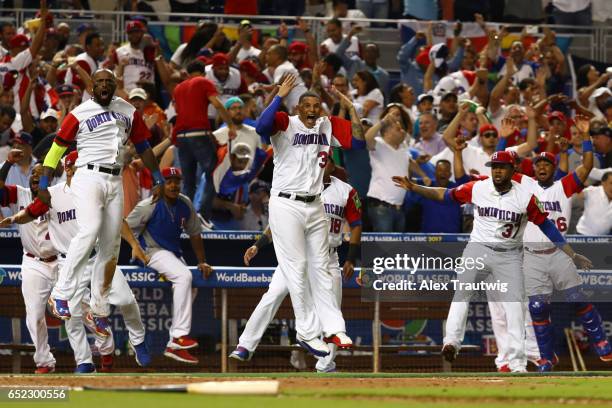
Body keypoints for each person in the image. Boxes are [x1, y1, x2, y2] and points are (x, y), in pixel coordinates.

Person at [393, 150, 592, 372]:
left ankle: (517, 364)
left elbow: (548, 226)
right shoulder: (478, 187)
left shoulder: (525, 197)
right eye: (494, 166)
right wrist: (414, 187)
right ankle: (451, 342)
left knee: (515, 307)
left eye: (502, 166)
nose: (496, 170)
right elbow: (445, 194)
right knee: (461, 294)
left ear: (512, 170)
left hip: (509, 256)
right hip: (477, 249)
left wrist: (571, 254)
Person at [39, 69, 163, 339]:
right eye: (99, 82)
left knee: (111, 246)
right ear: (92, 87)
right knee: (90, 228)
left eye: (109, 82)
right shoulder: (79, 112)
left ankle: (98, 309)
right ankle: (60, 294)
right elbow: (58, 147)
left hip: (115, 179)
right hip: (88, 175)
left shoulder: (128, 110)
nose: (105, 85)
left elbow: (142, 146)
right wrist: (44, 179)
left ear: (116, 86)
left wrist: (157, 175)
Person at [2, 151, 151, 373]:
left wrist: (135, 245)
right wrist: (14, 219)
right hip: (68, 263)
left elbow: (117, 220)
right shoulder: (51, 194)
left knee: (126, 300)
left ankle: (137, 340)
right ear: (69, 169)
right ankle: (84, 362)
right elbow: (31, 212)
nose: (79, 171)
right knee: (70, 316)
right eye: (75, 167)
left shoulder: (96, 193)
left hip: (98, 257)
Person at [255, 74, 364, 356]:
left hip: (314, 203)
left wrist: (351, 109)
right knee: (298, 267)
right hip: (285, 202)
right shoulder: (285, 122)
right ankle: (306, 332)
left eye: (317, 105)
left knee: (320, 269)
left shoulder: (327, 126)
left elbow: (360, 143)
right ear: (299, 108)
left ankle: (334, 329)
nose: (314, 109)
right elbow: (261, 126)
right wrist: (280, 94)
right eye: (308, 105)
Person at [230, 158, 362, 374]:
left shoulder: (346, 191)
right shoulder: (299, 186)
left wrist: (351, 258)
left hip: (327, 257)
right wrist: (258, 245)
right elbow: (281, 223)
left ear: (332, 165)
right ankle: (245, 345)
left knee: (332, 311)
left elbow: (356, 226)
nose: (323, 162)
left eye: (327, 159)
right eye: (320, 159)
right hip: (296, 254)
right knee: (273, 295)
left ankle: (326, 365)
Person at [523, 129, 612, 370]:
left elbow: (587, 164)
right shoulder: (525, 185)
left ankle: (601, 342)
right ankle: (547, 359)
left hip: (559, 254)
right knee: (538, 308)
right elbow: (503, 169)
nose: (542, 167)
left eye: (547, 164)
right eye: (538, 164)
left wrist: (585, 139)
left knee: (576, 299)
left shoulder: (564, 186)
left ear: (554, 168)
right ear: (534, 168)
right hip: (531, 256)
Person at [124, 167, 213, 364]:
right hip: (151, 252)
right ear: (161, 183)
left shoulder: (185, 203)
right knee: (183, 277)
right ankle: (179, 336)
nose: (173, 185)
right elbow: (124, 226)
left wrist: (202, 261)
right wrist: (134, 246)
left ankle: (174, 344)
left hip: (172, 253)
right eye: (169, 181)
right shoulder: (150, 204)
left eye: (177, 181)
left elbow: (195, 234)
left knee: (193, 282)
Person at [0, 152, 57, 374]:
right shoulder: (20, 194)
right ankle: (44, 361)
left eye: (41, 174)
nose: (36, 176)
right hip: (33, 262)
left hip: (61, 260)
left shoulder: (59, 195)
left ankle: (100, 352)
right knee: (34, 315)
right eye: (33, 173)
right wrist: (9, 163)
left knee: (80, 307)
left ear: (49, 179)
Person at [172, 60, 235, 216]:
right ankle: (203, 214)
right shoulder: (204, 82)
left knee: (188, 182)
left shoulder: (178, 88)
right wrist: (231, 125)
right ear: (204, 73)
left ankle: (184, 219)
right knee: (214, 172)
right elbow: (218, 104)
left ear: (188, 73)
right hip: (198, 133)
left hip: (182, 137)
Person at [115, 20, 155, 92]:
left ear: (143, 33)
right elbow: (115, 75)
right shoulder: (119, 51)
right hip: (127, 92)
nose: (134, 35)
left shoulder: (151, 51)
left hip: (147, 93)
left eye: (136, 31)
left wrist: (155, 46)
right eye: (130, 32)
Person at [576, 171, 612, 235]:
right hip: (583, 236)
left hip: (603, 240)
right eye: (611, 183)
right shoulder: (592, 191)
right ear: (603, 183)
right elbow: (577, 194)